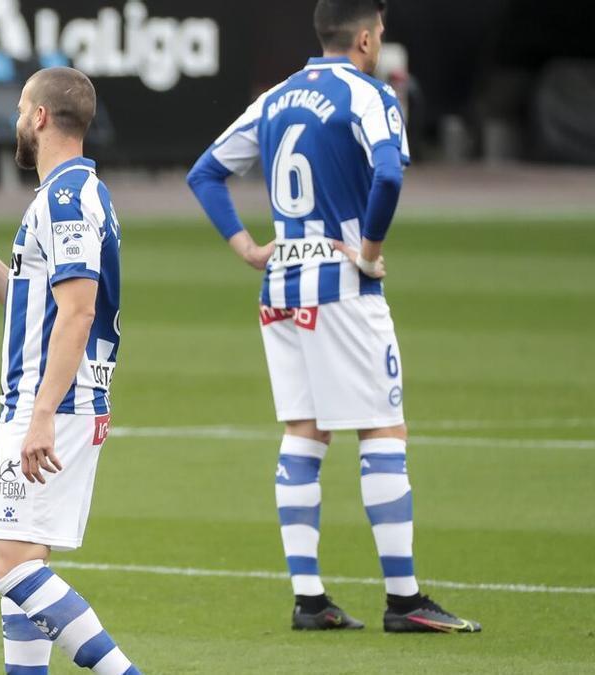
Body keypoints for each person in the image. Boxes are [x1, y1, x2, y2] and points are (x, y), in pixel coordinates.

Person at [186, 0, 481, 633]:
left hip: (280, 280)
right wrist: (370, 252)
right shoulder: (368, 95)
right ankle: (404, 601)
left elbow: (205, 173)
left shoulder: (275, 97)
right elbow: (389, 176)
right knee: (382, 431)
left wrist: (246, 247)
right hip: (339, 283)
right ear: (368, 38)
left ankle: (309, 598)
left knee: (304, 430)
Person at [0, 67, 140, 674]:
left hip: (53, 405)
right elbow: (36, 306)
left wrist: (42, 414)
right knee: (25, 560)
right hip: (55, 399)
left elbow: (78, 311)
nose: (17, 120)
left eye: (22, 109)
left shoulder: (66, 200)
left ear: (39, 117)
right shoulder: (71, 194)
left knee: (11, 564)